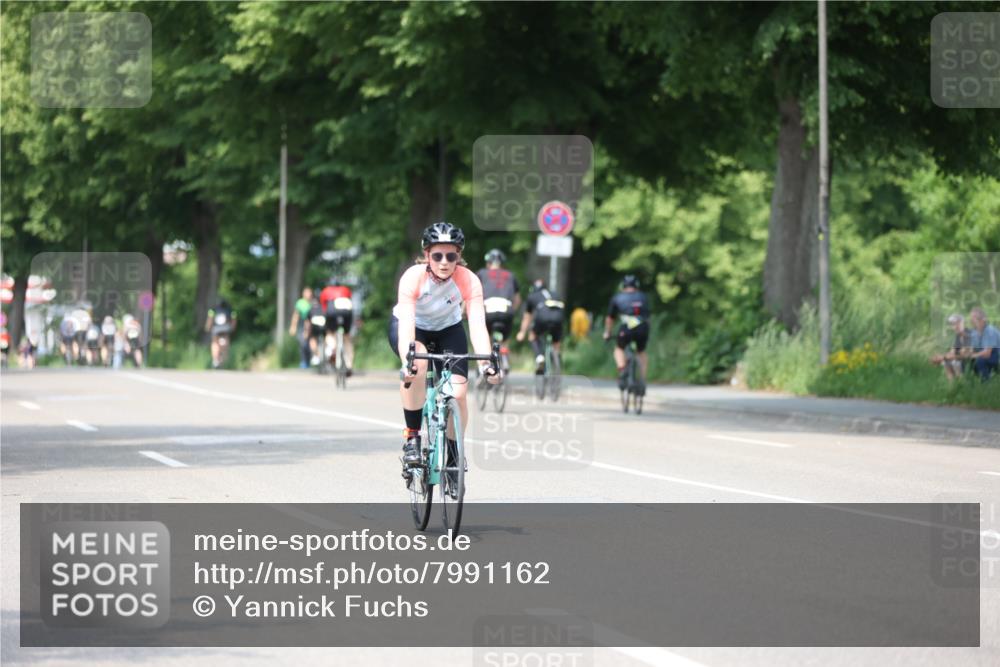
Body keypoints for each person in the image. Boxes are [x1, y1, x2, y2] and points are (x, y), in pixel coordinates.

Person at [388, 222, 500, 467]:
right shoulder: (412, 278)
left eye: (451, 255)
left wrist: (485, 364)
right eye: (437, 255)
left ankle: (452, 453)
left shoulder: (469, 280)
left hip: (448, 330)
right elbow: (406, 323)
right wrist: (408, 362)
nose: (444, 261)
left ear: (459, 256)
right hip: (412, 327)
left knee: (458, 393)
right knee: (417, 361)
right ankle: (412, 439)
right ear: (426, 255)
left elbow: (478, 326)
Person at [603, 275, 651, 395]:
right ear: (637, 286)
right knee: (641, 352)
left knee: (619, 349)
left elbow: (610, 319)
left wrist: (608, 333)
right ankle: (642, 380)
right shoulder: (643, 297)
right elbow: (648, 316)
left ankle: (623, 369)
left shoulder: (618, 297)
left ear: (623, 286)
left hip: (626, 329)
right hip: (642, 328)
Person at [516, 279, 565, 373]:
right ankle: (556, 357)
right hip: (558, 318)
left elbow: (527, 317)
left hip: (543, 318)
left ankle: (539, 357)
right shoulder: (555, 294)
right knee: (556, 343)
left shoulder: (532, 296)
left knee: (532, 335)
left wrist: (522, 332)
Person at [476, 249, 521, 351]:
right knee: (505, 337)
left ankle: (485, 358)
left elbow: (473, 294)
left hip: (488, 310)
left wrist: (465, 311)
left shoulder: (482, 273)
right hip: (506, 309)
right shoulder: (511, 275)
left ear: (488, 262)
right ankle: (504, 353)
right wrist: (512, 311)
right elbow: (517, 300)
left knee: (484, 335)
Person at [929, 314, 970, 382]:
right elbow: (952, 352)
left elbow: (965, 355)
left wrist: (942, 357)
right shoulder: (958, 335)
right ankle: (952, 386)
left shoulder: (968, 334)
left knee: (955, 362)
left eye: (957, 323)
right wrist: (941, 357)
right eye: (953, 324)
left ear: (963, 323)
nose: (955, 326)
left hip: (971, 360)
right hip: (960, 359)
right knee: (946, 362)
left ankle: (962, 384)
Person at [963, 307, 999, 381]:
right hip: (984, 353)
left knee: (980, 360)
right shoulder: (974, 332)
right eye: (972, 318)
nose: (972, 321)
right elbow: (972, 349)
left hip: (996, 356)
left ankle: (986, 383)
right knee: (965, 360)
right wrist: (967, 353)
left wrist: (973, 355)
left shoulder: (990, 331)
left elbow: (987, 353)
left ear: (983, 320)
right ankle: (967, 382)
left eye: (975, 318)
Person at [205, 299, 236, 369]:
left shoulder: (212, 310)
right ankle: (225, 361)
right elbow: (234, 320)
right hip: (226, 329)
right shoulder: (230, 310)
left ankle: (215, 360)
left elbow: (210, 319)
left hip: (216, 329)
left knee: (215, 343)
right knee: (226, 344)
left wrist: (207, 328)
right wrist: (232, 329)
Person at [288, 286, 314, 369]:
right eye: (307, 293)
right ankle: (304, 361)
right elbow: (296, 315)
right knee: (303, 343)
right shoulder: (300, 303)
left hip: (312, 324)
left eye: (309, 293)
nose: (308, 294)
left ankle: (310, 361)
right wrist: (293, 326)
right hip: (302, 324)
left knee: (310, 343)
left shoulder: (313, 303)